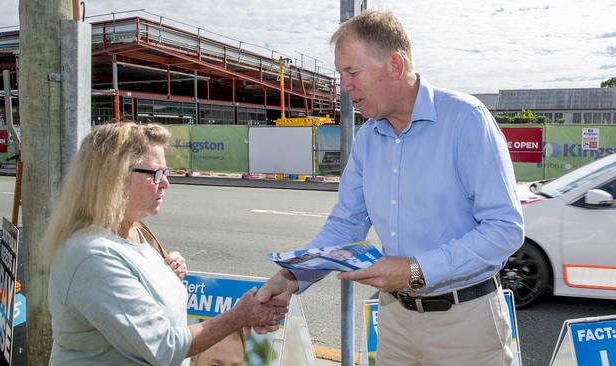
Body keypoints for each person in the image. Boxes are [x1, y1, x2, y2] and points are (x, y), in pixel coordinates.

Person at [255, 10, 524, 366]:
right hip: (395, 321)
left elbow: (505, 230)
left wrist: (416, 269)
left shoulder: (466, 120)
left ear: (395, 65)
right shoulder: (368, 139)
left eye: (352, 73)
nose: (344, 87)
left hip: (466, 325)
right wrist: (291, 276)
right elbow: (346, 224)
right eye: (341, 75)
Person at [46, 122, 287, 365]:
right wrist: (239, 317)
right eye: (155, 174)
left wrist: (167, 274)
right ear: (114, 177)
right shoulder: (93, 255)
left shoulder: (133, 231)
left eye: (165, 173)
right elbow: (165, 347)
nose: (165, 183)